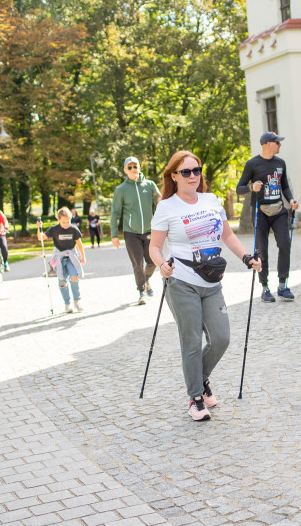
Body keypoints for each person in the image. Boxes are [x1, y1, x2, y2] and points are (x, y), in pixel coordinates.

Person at [149, 150, 261, 421]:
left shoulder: (211, 200)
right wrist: (162, 264)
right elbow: (154, 246)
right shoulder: (167, 207)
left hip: (211, 281)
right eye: (185, 172)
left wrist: (246, 257)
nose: (192, 176)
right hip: (181, 282)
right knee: (191, 341)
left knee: (221, 338)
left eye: (196, 170)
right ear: (174, 176)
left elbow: (228, 234)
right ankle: (196, 397)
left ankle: (201, 378)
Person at [236, 131, 299, 303]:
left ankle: (282, 285)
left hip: (278, 210)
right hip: (260, 211)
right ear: (267, 144)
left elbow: (284, 186)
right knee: (261, 250)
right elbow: (239, 188)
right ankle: (265, 288)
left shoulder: (281, 163)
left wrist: (291, 200)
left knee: (285, 244)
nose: (280, 145)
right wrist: (251, 187)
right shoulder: (252, 164)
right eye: (277, 142)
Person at [111, 156, 161, 305]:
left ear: (139, 168)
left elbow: (160, 203)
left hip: (149, 231)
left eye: (135, 166)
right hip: (131, 232)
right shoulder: (121, 190)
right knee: (137, 264)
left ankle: (146, 279)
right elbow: (115, 213)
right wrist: (114, 235)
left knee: (152, 262)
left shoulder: (150, 185)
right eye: (130, 167)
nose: (133, 169)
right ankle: (141, 291)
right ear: (125, 170)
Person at [37, 207, 86, 313]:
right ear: (58, 220)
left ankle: (77, 301)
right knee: (62, 279)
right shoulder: (54, 229)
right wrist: (39, 228)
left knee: (74, 276)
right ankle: (67, 304)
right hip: (59, 256)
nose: (65, 224)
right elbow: (41, 238)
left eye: (67, 221)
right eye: (63, 222)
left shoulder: (73, 229)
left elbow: (79, 243)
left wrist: (83, 256)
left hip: (71, 256)